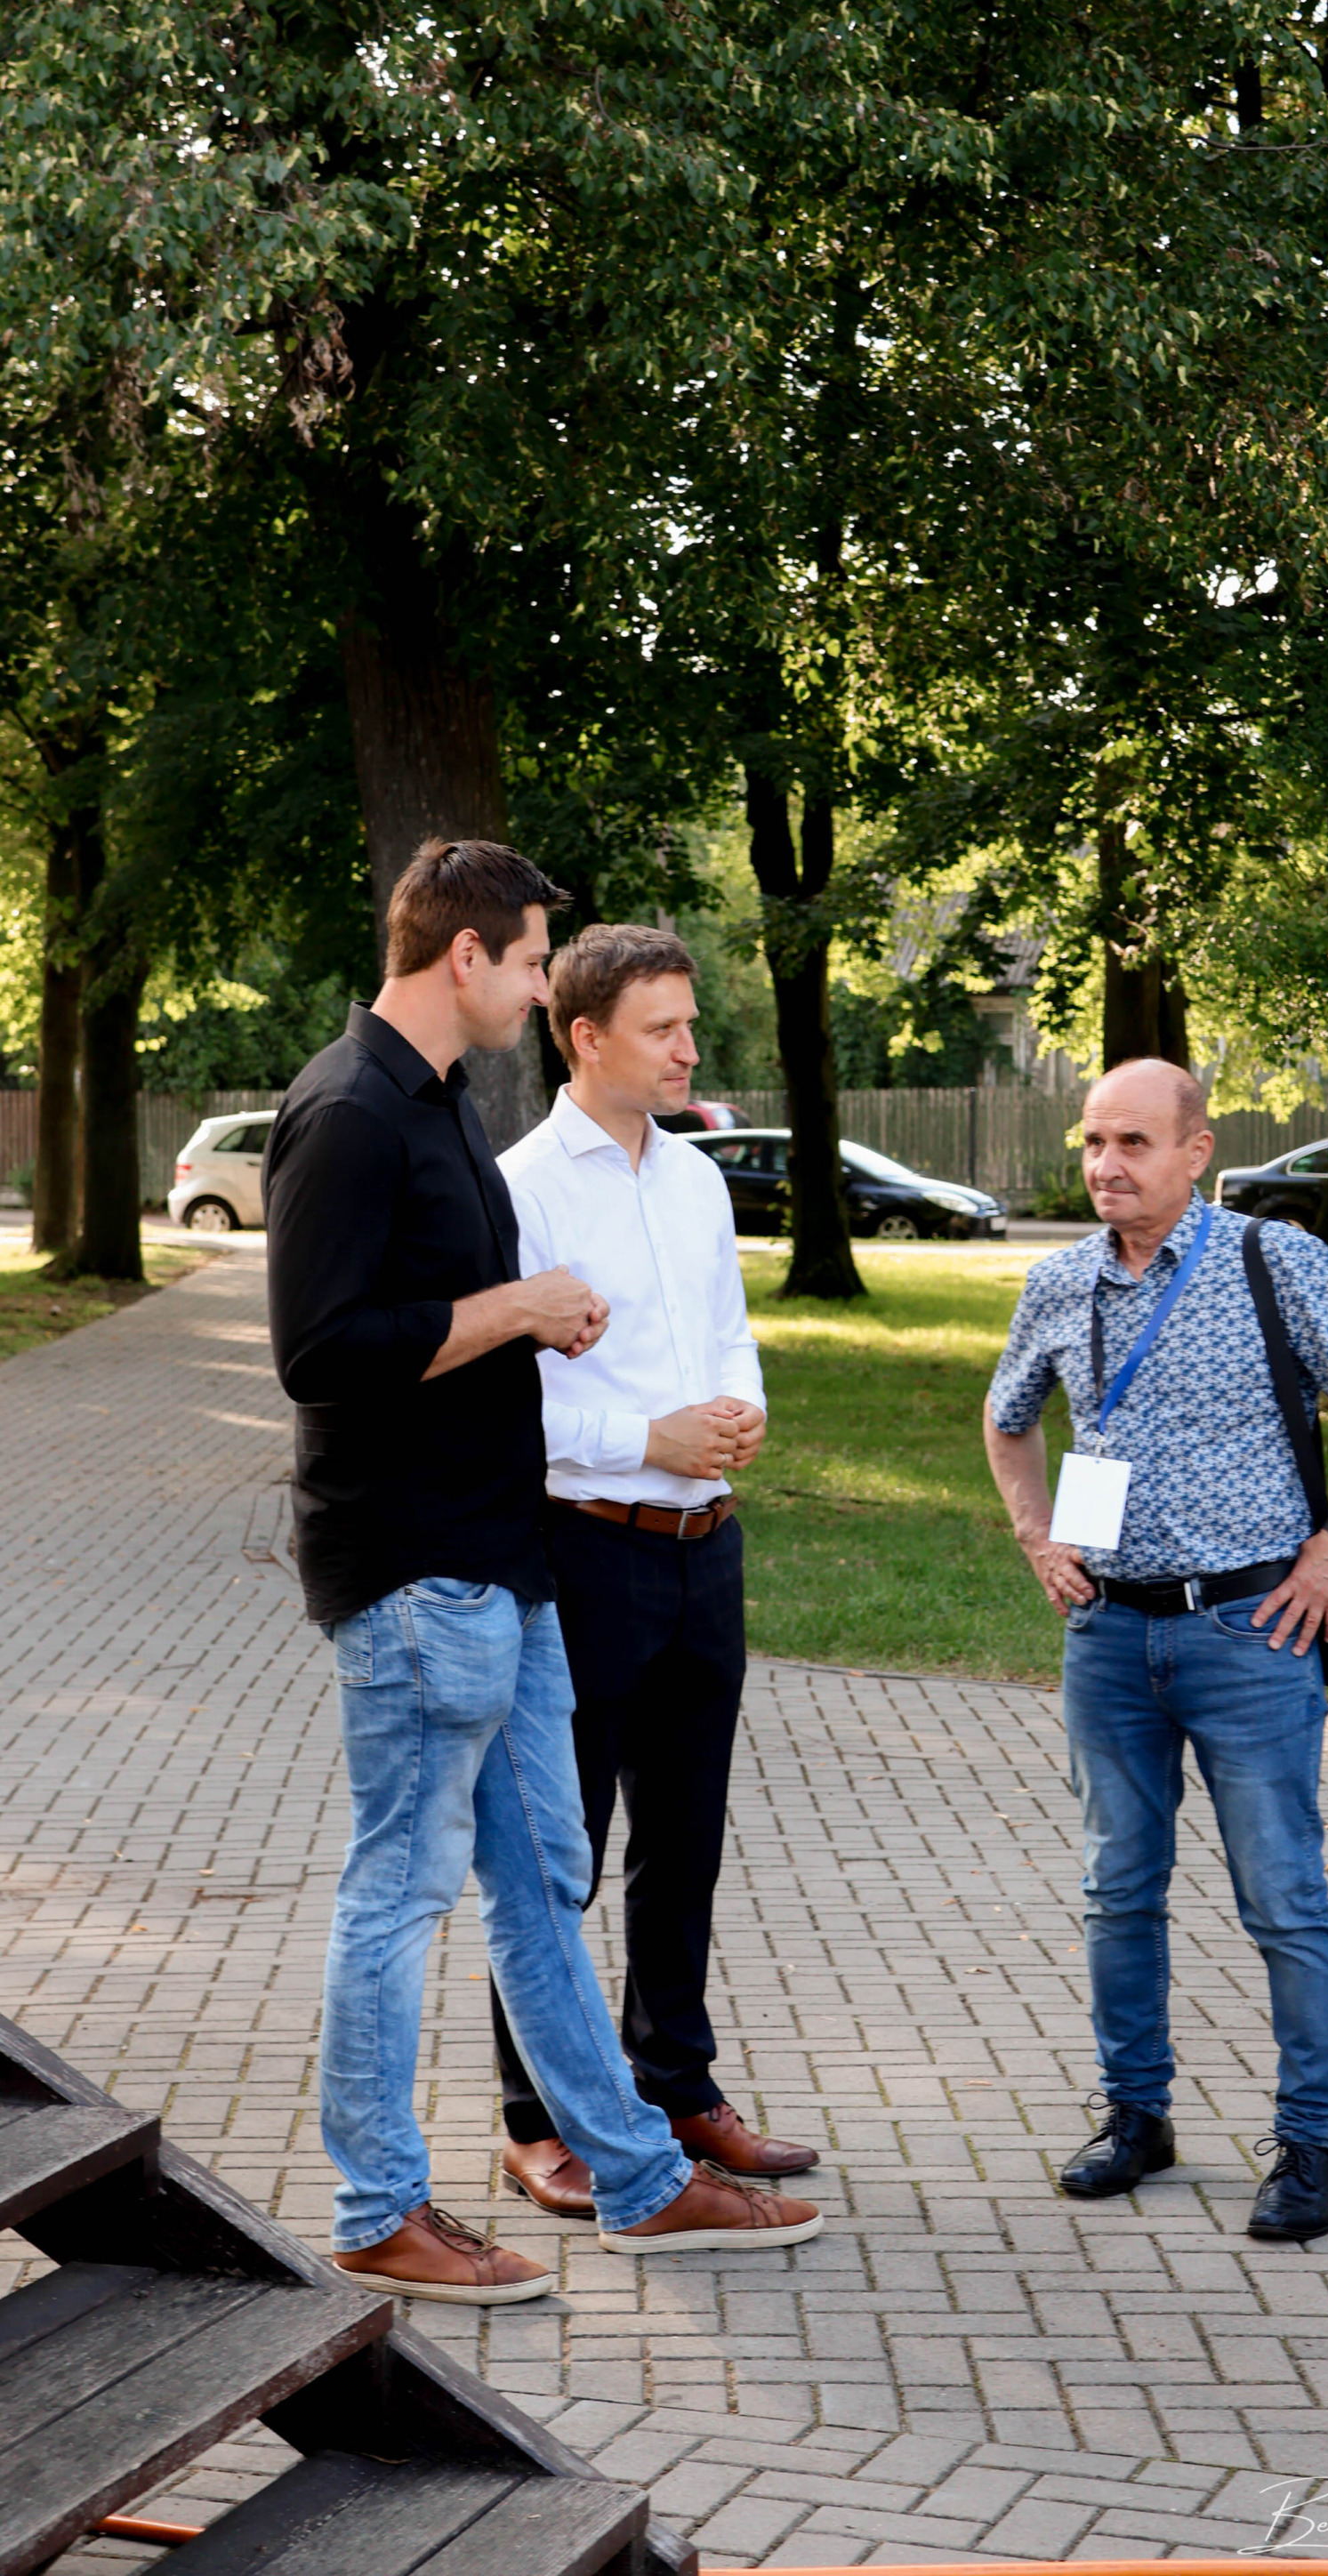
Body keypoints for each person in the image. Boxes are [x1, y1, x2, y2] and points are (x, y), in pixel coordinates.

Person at [264, 840, 820, 2300]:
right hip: (413, 1567)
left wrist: (527, 1322)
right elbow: (317, 1352)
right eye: (524, 961)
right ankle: (378, 2208)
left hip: (506, 1561)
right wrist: (518, 1308)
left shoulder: (438, 1100)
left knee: (543, 1877)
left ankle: (637, 2177)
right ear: (465, 957)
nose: (532, 985)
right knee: (402, 1888)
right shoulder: (347, 1109)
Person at [983, 1059, 1328, 2241]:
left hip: (1252, 1630)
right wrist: (1037, 1538)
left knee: (1282, 1897)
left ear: (1195, 1152)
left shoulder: (1275, 1261)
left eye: (1132, 1142)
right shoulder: (1059, 1281)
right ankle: (1136, 2118)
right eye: (1092, 1142)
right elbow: (1007, 1418)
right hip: (1107, 1635)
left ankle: (1312, 2147)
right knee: (1116, 1890)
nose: (1105, 1165)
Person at [491, 922, 819, 2218]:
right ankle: (538, 2120)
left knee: (684, 1843)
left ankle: (673, 2085)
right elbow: (502, 1404)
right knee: (557, 1853)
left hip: (705, 1549)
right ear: (584, 1037)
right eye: (662, 1028)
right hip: (584, 1552)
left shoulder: (694, 1180)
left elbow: (728, 1336)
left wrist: (741, 1411)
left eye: (690, 1024)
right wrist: (647, 1439)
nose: (690, 1049)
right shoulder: (520, 1189)